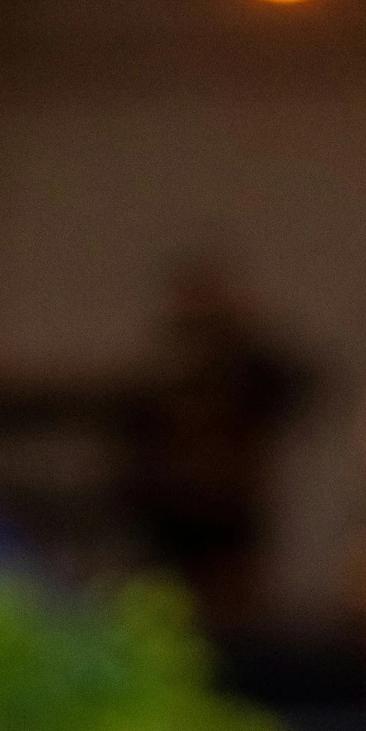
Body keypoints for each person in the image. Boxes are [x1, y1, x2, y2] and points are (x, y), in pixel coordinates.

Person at [130, 260, 313, 635]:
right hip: (174, 516)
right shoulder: (165, 381)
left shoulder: (247, 371)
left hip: (230, 515)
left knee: (236, 625)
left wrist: (247, 331)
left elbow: (301, 386)